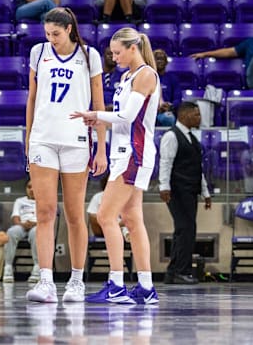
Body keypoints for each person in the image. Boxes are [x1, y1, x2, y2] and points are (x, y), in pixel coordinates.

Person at [71, 27, 161, 305]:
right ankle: (145, 287)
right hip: (125, 153)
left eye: (118, 52)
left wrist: (96, 115)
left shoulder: (146, 74)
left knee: (106, 216)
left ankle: (116, 285)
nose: (114, 57)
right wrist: (100, 119)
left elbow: (128, 115)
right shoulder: (126, 76)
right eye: (112, 52)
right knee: (133, 221)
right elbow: (120, 117)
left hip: (134, 154)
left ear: (133, 48)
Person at [25, 7, 108, 303]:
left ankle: (76, 280)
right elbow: (32, 97)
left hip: (76, 141)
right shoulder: (38, 52)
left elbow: (98, 103)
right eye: (47, 34)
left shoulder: (90, 56)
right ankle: (46, 280)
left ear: (70, 30)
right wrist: (28, 136)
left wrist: (100, 146)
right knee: (45, 212)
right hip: (43, 139)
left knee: (75, 214)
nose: (51, 39)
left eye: (56, 34)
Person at [158, 101, 212, 285]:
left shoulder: (192, 138)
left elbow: (198, 168)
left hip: (190, 190)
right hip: (177, 190)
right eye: (196, 114)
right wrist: (164, 186)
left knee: (185, 230)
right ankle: (181, 271)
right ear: (184, 115)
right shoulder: (171, 136)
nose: (199, 118)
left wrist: (205, 192)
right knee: (185, 229)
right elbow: (165, 162)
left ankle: (173, 272)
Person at [3, 178, 40, 283]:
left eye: (34, 187)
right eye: (29, 187)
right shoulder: (20, 201)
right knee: (11, 232)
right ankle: (8, 267)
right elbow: (15, 217)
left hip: (37, 226)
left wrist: (33, 224)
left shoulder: (43, 200)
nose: (32, 189)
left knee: (36, 232)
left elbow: (46, 220)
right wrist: (22, 224)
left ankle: (37, 268)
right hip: (22, 226)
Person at [87, 172, 131, 242]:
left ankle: (126, 235)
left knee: (126, 223)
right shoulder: (97, 197)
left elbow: (129, 218)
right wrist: (108, 222)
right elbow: (92, 216)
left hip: (120, 227)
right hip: (101, 228)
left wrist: (117, 224)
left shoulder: (126, 197)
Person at [155, 49, 181, 127]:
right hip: (151, 111)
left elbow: (178, 98)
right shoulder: (147, 77)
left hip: (167, 111)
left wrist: (170, 106)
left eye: (162, 59)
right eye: (157, 59)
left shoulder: (172, 78)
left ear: (166, 62)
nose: (159, 61)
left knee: (168, 118)